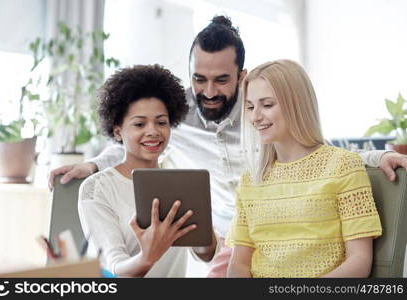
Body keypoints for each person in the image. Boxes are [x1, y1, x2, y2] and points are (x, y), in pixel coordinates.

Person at [50, 15, 407, 277]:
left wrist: (380, 155)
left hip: (261, 236)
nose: (208, 92)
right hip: (230, 235)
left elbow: (316, 150)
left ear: (241, 76)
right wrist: (93, 165)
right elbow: (138, 140)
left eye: (221, 80)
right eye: (199, 79)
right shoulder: (175, 114)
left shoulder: (262, 115)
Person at [226, 59, 382, 277]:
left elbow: (359, 261)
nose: (255, 116)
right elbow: (239, 264)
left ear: (296, 104)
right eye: (251, 107)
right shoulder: (250, 180)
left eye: (267, 105)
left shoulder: (344, 167)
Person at [78, 64, 216, 277]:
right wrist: (147, 257)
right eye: (140, 124)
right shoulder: (97, 188)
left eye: (161, 122)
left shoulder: (181, 182)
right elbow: (117, 270)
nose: (153, 131)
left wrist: (204, 233)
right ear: (117, 131)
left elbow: (206, 254)